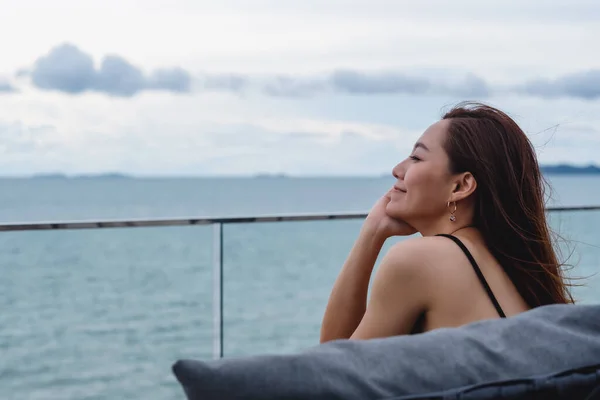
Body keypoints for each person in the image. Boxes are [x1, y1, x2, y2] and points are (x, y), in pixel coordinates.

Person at [320, 102, 574, 343]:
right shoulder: (504, 264)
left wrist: (369, 235)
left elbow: (334, 369)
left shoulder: (421, 259)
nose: (397, 169)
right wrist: (374, 231)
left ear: (460, 186)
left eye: (416, 158)